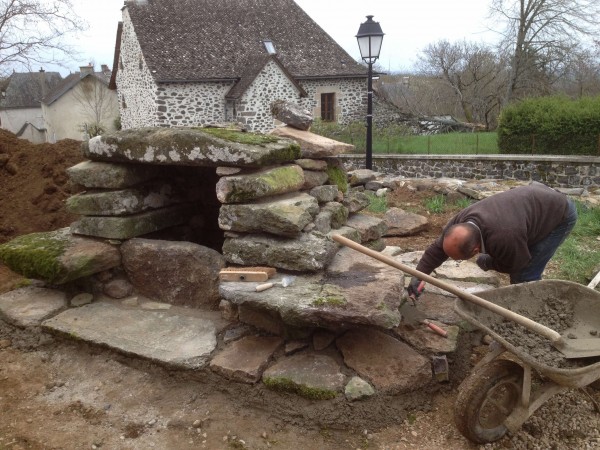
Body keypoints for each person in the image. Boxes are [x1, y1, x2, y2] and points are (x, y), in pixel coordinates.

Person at [407, 181, 578, 299]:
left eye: (458, 259)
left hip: (559, 213)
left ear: (475, 250)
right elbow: (437, 250)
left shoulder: (504, 237)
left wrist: (489, 262)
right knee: (520, 249)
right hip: (529, 206)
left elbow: (518, 263)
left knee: (525, 275)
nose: (453, 260)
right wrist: (419, 275)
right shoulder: (460, 223)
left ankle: (528, 317)